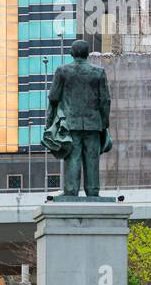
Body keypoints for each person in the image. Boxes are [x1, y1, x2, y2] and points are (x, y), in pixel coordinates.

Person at [45, 39, 111, 197]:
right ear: (87, 54)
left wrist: (50, 122)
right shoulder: (98, 72)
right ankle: (93, 191)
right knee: (92, 158)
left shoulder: (62, 71)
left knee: (73, 157)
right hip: (93, 124)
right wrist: (104, 123)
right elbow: (105, 100)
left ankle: (71, 191)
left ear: (71, 53)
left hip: (71, 123)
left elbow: (53, 97)